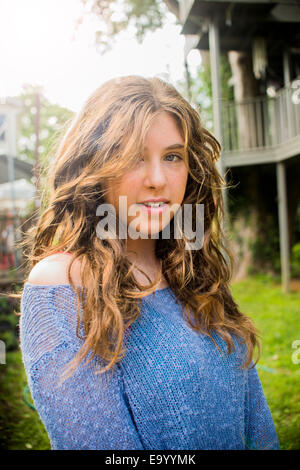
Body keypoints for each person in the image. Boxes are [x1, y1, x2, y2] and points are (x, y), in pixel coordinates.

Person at [19, 75, 280, 450]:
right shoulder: (63, 284)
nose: (158, 179)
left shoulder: (191, 270)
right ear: (93, 167)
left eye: (172, 157)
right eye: (133, 157)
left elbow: (256, 422)